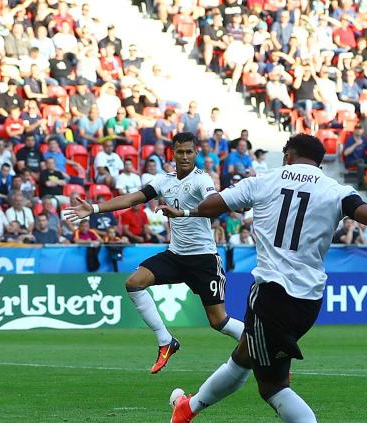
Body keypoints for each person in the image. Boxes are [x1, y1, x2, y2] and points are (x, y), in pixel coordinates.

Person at [153, 133, 367, 423]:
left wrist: (186, 211)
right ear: (318, 161)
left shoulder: (265, 180)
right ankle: (187, 409)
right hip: (308, 301)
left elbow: (217, 203)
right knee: (245, 354)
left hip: (271, 294)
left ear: (288, 155)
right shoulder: (335, 190)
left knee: (272, 387)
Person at [64, 133, 246, 374]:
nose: (184, 156)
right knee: (134, 283)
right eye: (180, 152)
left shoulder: (202, 180)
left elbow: (213, 204)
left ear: (196, 154)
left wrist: (183, 213)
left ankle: (262, 345)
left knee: (218, 321)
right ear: (172, 152)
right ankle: (165, 341)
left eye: (189, 152)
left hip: (203, 258)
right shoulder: (164, 181)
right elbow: (132, 198)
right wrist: (95, 208)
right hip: (175, 255)